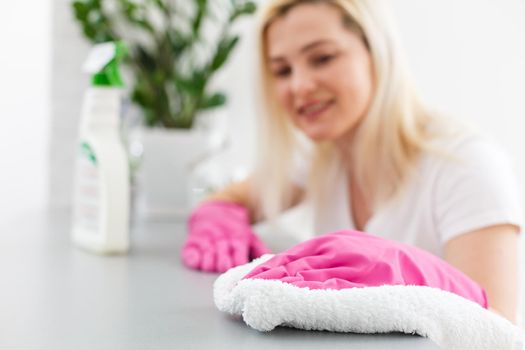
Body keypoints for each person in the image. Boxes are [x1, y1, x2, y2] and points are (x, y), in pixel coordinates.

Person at [181, 0, 522, 323]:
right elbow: (229, 199)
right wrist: (219, 219)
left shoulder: (467, 167)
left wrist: (410, 271)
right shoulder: (322, 159)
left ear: (376, 52)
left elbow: (496, 331)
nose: (299, 85)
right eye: (282, 71)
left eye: (322, 58)